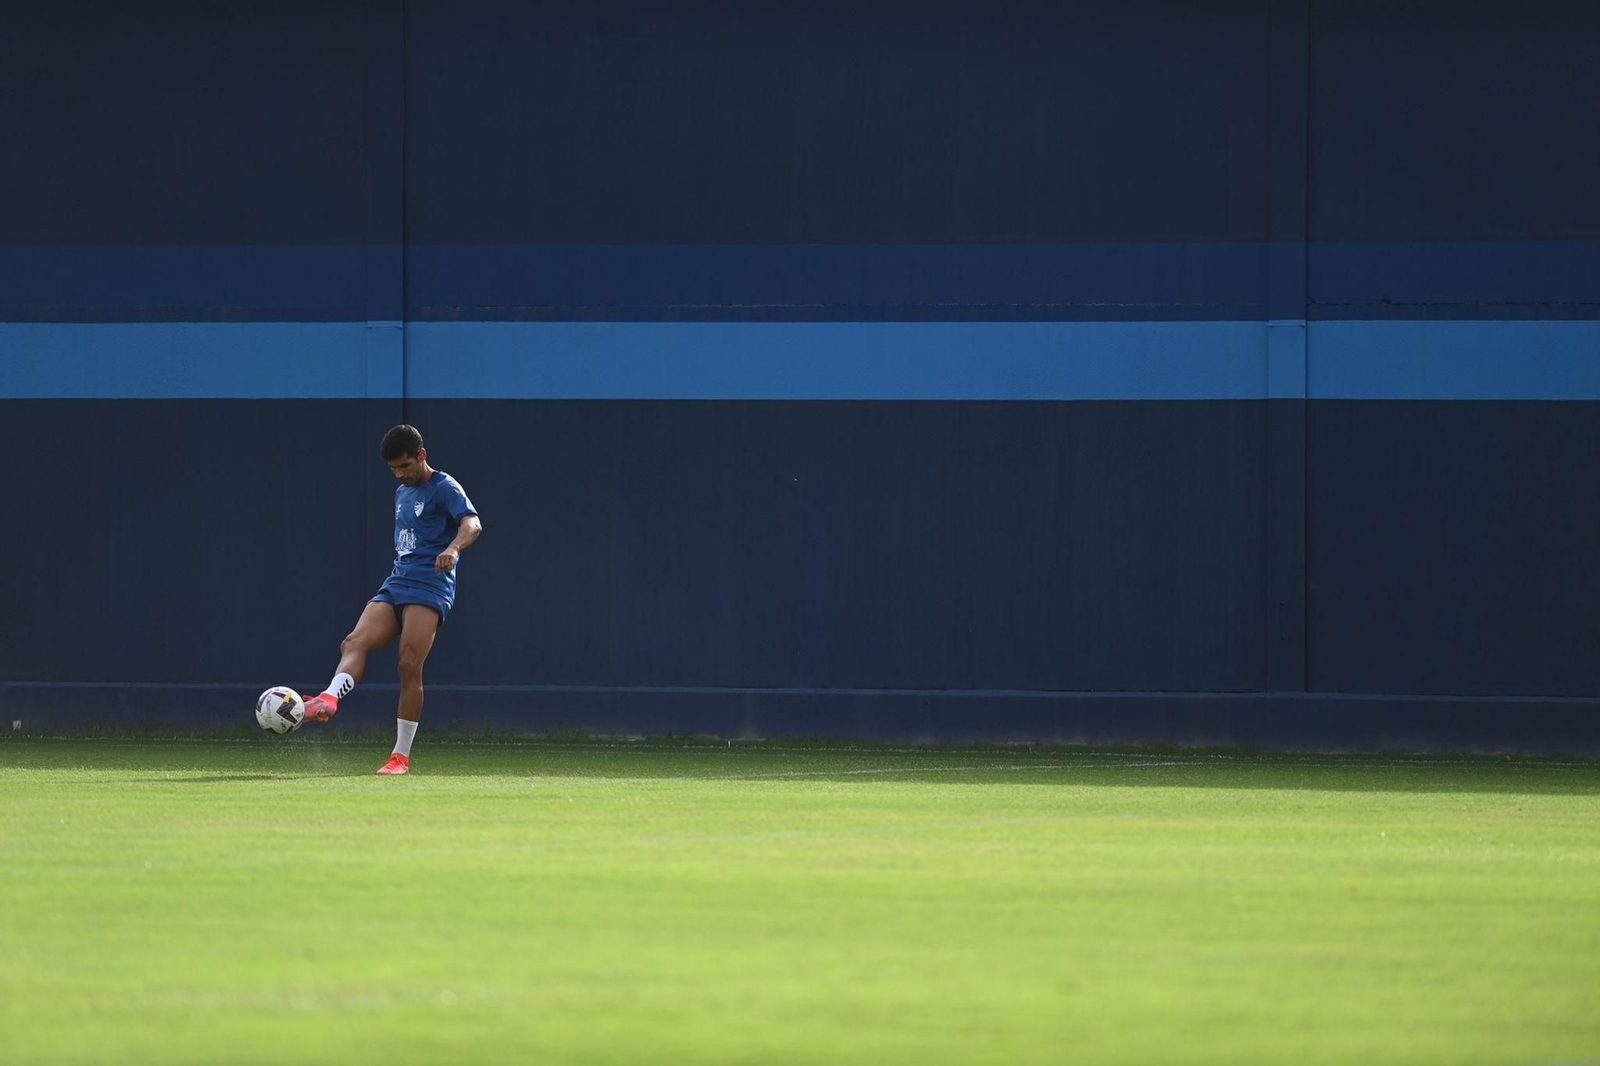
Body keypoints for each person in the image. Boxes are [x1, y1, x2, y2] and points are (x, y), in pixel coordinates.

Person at [300, 425, 482, 774]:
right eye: (394, 469)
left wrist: (453, 548)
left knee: (408, 664)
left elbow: (472, 524)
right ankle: (328, 699)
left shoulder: (445, 487)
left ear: (421, 456)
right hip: (398, 581)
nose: (400, 474)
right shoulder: (402, 492)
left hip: (430, 584)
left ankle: (400, 756)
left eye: (405, 466)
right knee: (353, 641)